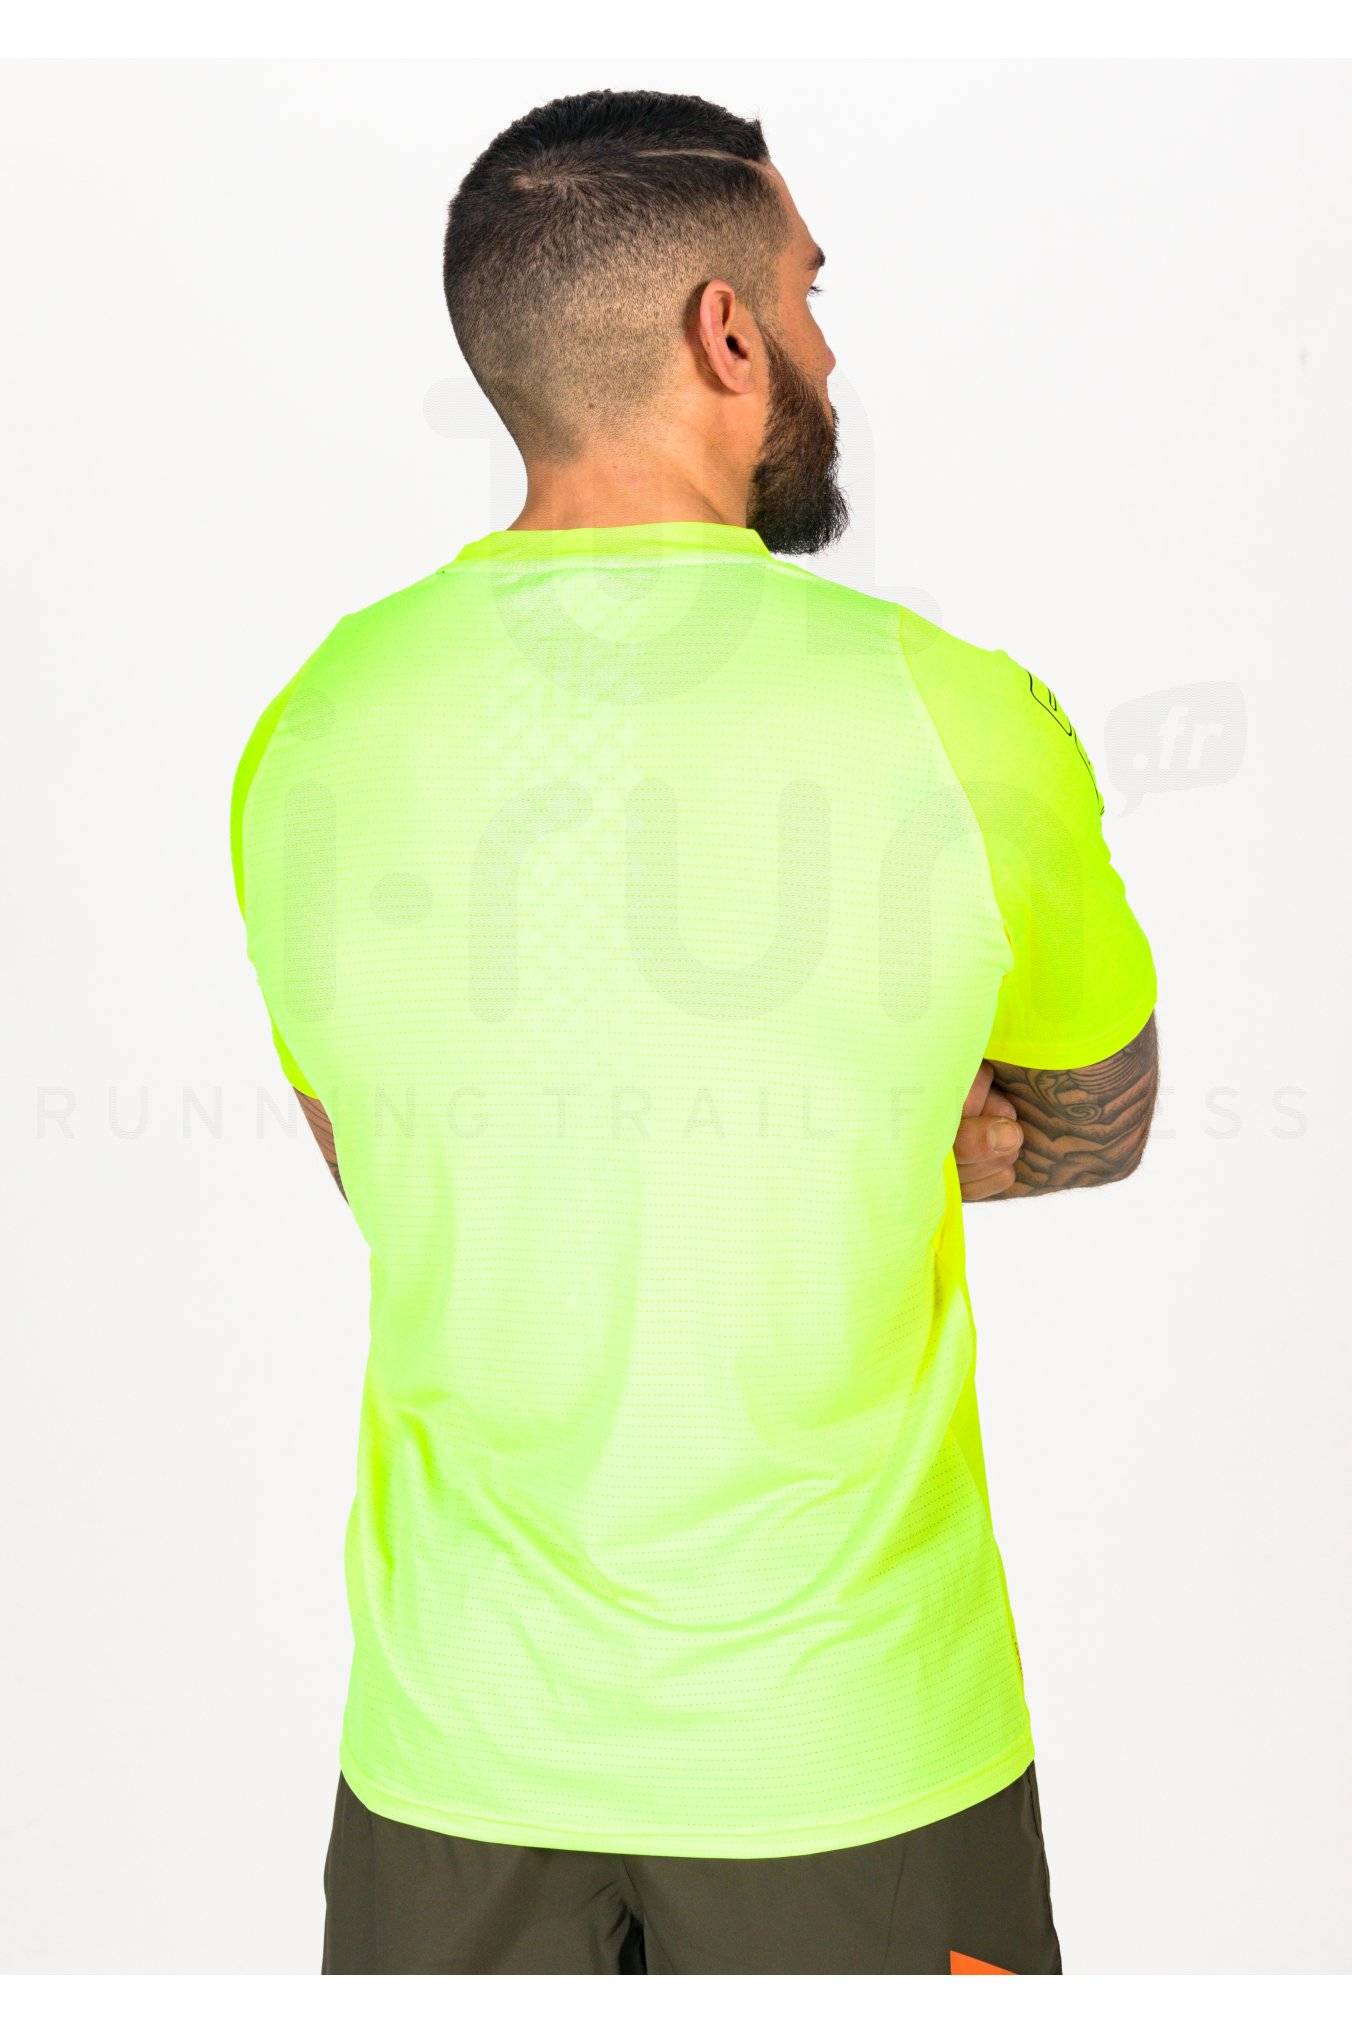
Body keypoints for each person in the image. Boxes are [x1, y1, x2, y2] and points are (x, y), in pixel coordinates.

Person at [230, 87, 1158, 1975]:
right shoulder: (952, 714)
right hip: (860, 1760)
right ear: (726, 334)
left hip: (451, 1771)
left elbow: (377, 1152)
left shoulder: (312, 727)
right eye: (809, 293)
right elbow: (1098, 1115)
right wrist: (879, 1123)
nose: (826, 344)